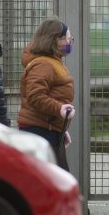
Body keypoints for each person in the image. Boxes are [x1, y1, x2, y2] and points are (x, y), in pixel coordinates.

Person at [17, 18, 76, 171]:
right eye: (68, 38)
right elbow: (36, 96)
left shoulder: (53, 61)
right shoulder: (44, 64)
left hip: (50, 130)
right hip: (40, 132)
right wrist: (60, 109)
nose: (70, 42)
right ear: (56, 39)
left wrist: (60, 129)